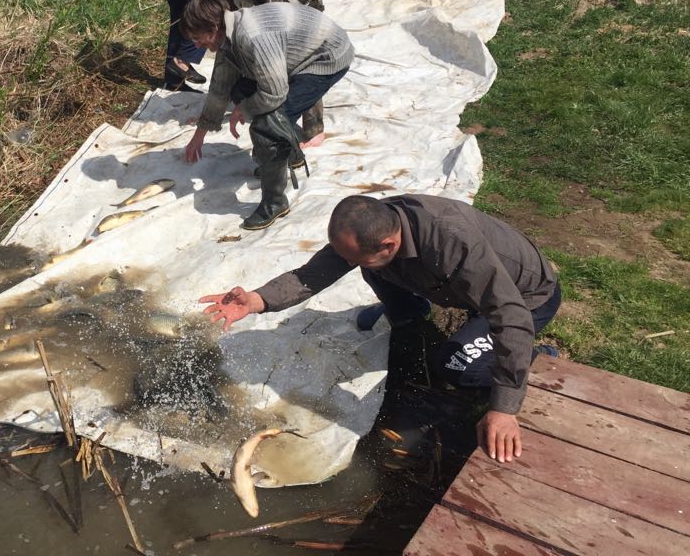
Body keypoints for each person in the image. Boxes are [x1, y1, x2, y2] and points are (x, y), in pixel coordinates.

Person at [198, 194, 562, 464]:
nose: (345, 264)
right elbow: (314, 274)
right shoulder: (380, 222)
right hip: (466, 294)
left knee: (453, 364)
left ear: (389, 243)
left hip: (525, 301)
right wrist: (257, 300)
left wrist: (504, 408)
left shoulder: (453, 244)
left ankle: (537, 357)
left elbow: (509, 313)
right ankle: (411, 315)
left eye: (351, 257)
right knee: (372, 267)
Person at [181, 0, 353, 229]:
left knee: (266, 129)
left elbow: (275, 93)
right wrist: (199, 136)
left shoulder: (251, 36)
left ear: (212, 28)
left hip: (327, 57)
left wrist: (246, 110)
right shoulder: (227, 38)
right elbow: (220, 88)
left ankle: (275, 203)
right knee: (241, 90)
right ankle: (291, 154)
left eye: (196, 37)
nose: (196, 44)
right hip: (297, 58)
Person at [219, 0, 328, 146]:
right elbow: (227, 41)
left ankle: (313, 127)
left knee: (304, 64)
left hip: (304, 16)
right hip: (258, 22)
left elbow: (310, 34)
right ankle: (271, 108)